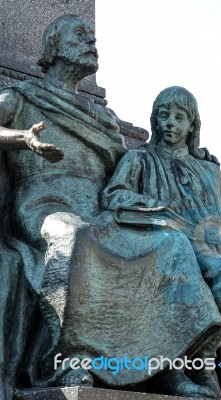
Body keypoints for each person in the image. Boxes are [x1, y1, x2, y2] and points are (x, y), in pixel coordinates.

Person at [101, 86, 221, 399]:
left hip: (203, 246)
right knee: (176, 265)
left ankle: (202, 361)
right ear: (155, 121)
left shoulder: (211, 171)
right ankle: (170, 370)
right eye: (163, 115)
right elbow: (113, 195)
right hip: (158, 241)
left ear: (192, 125)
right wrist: (149, 202)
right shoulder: (138, 159)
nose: (170, 122)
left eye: (179, 117)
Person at [0, 14, 125, 399]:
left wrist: (187, 156)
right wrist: (22, 137)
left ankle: (175, 370)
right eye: (80, 34)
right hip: (42, 205)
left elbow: (137, 167)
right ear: (52, 48)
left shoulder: (105, 119)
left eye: (92, 36)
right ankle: (62, 360)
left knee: (170, 246)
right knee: (73, 235)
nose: (92, 41)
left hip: (104, 211)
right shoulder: (19, 98)